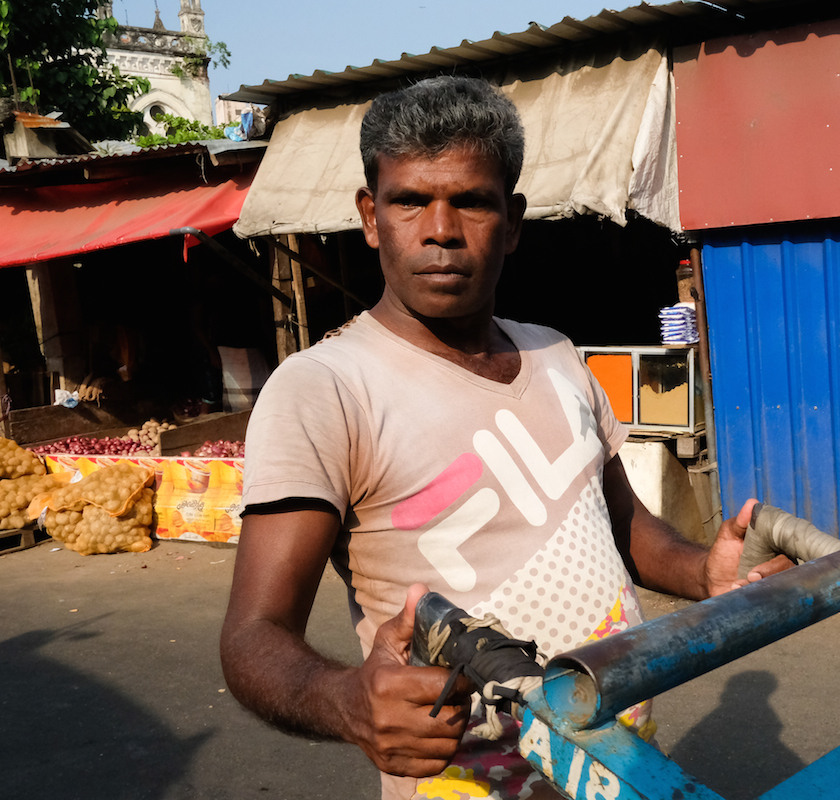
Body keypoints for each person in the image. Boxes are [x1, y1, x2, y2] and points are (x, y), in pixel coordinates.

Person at [220, 76, 789, 800]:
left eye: (471, 201)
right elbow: (252, 635)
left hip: (625, 768)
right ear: (370, 216)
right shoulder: (324, 389)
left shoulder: (558, 353)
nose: (440, 229)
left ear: (513, 220)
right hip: (468, 784)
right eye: (409, 202)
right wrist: (346, 700)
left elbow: (622, 526)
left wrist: (702, 572)